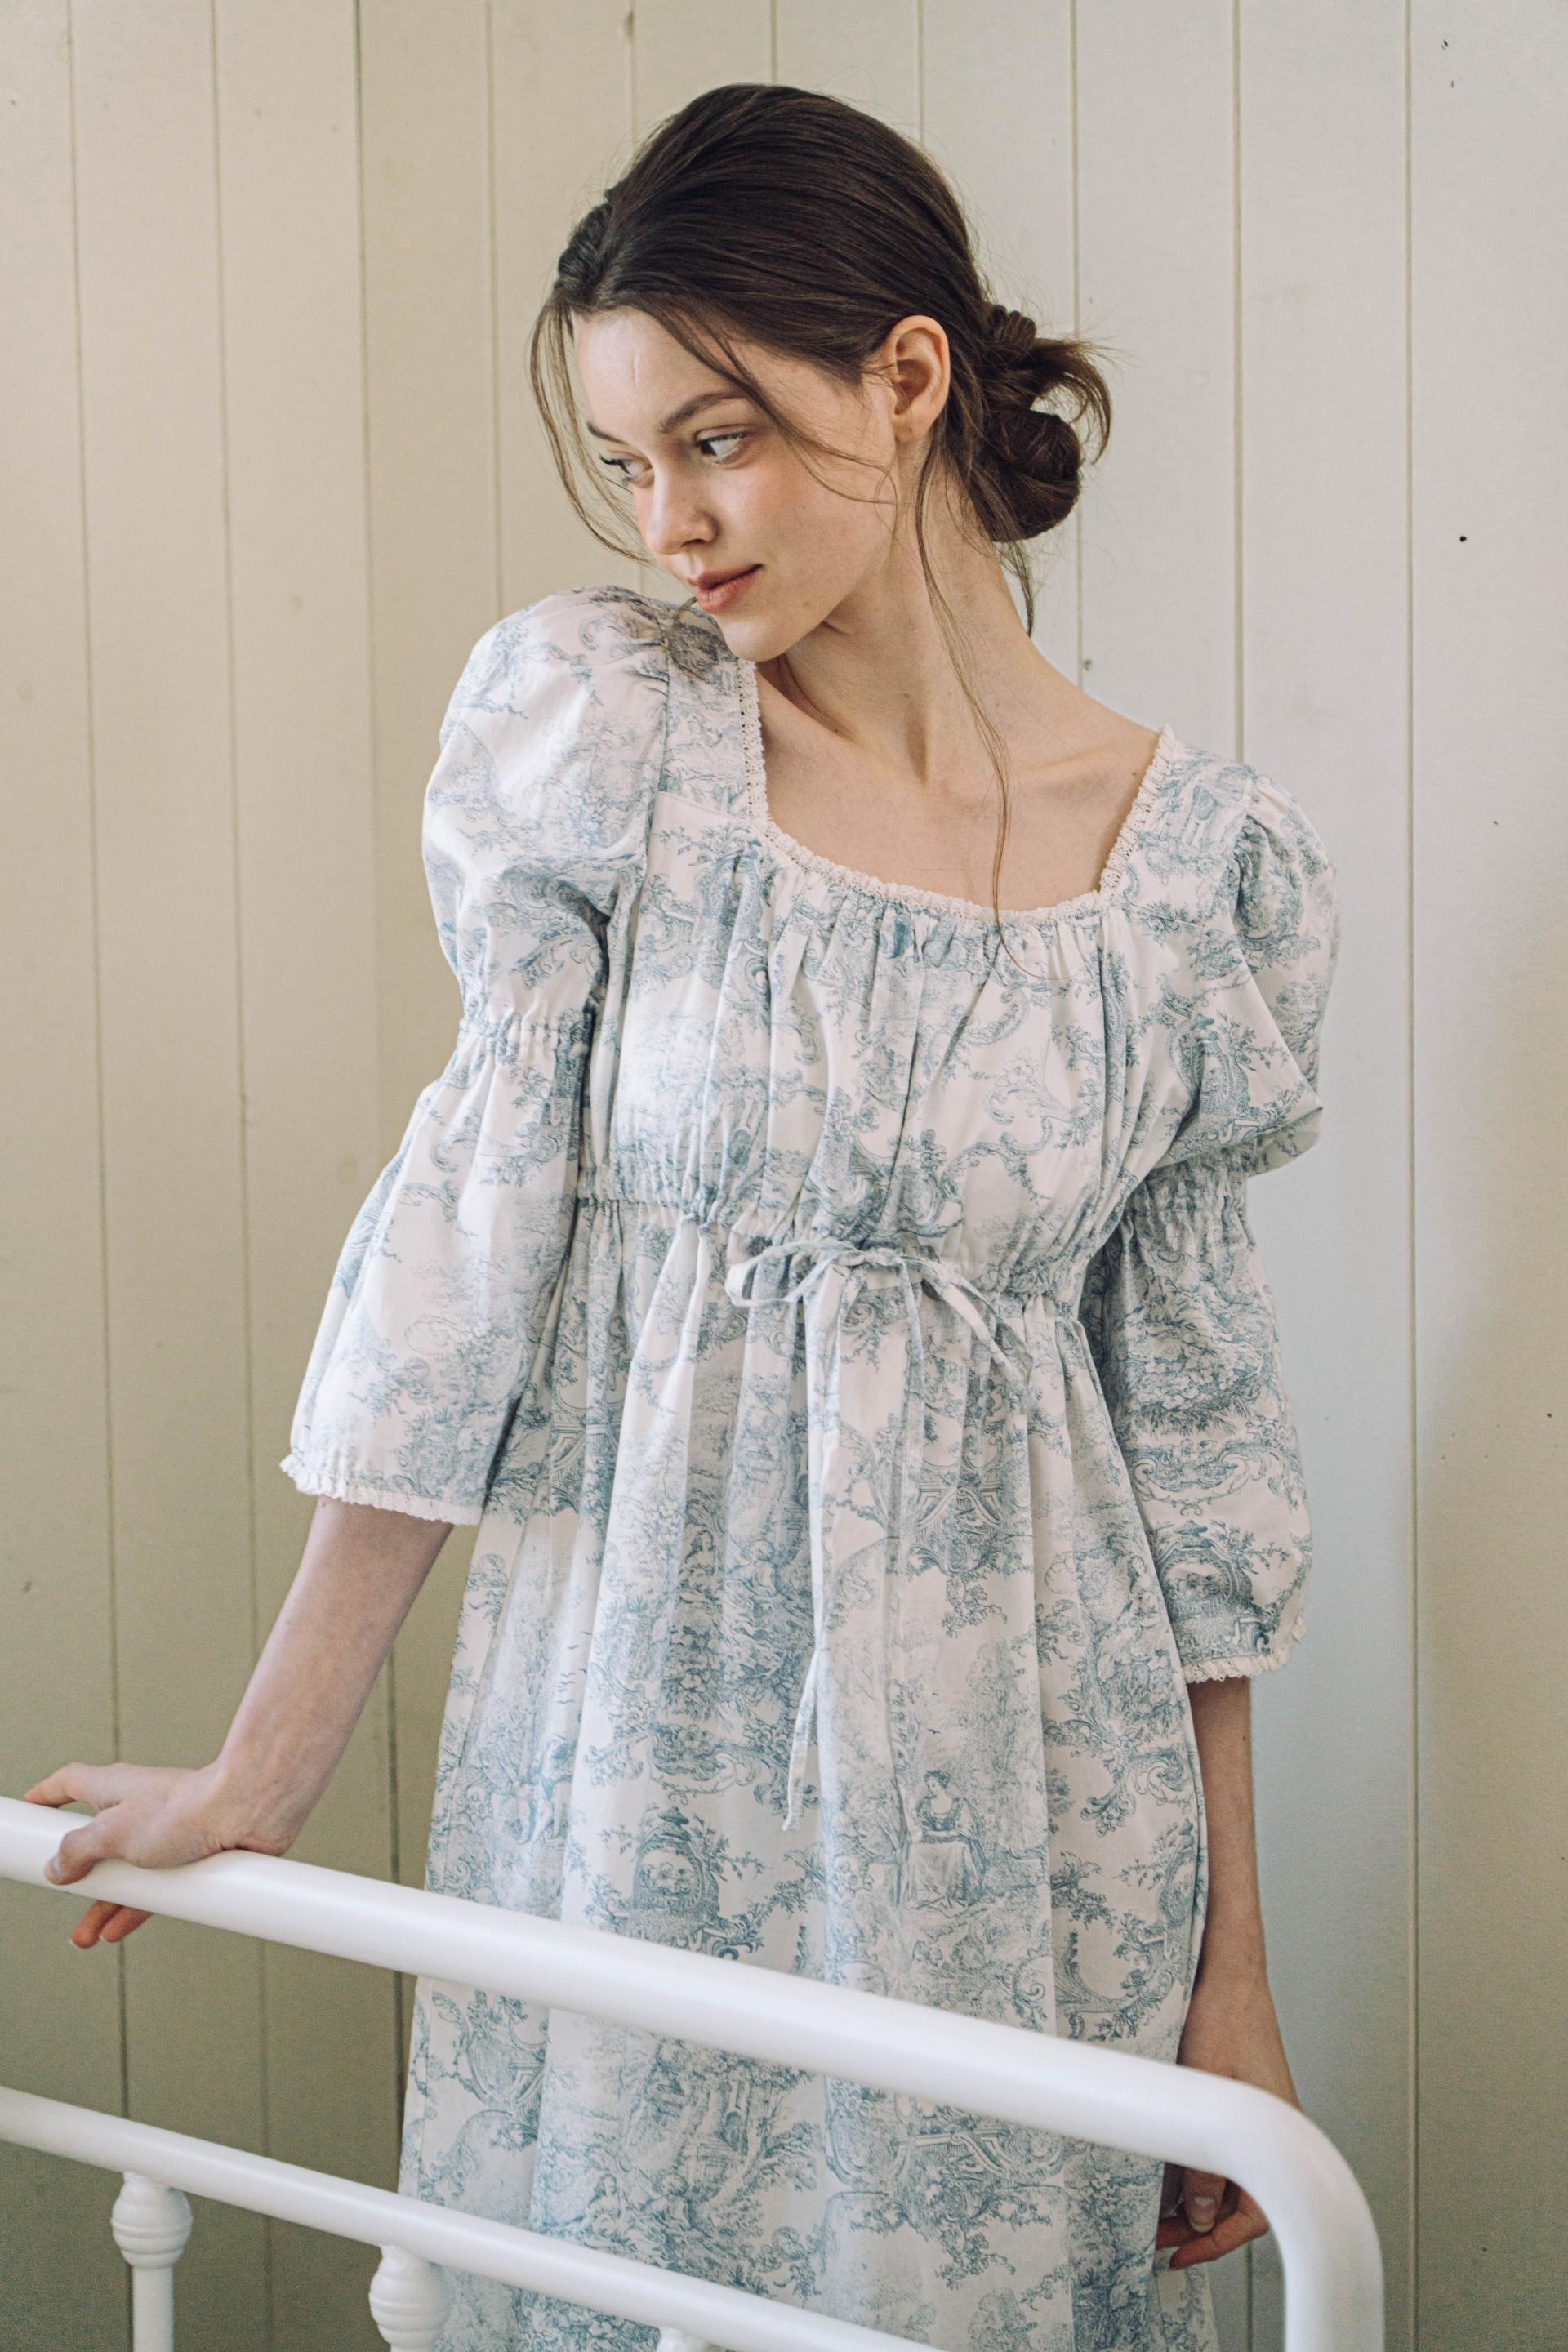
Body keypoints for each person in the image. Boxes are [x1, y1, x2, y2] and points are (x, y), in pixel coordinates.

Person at [25, 81, 1341, 2352]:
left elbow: (1197, 1465)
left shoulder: (1198, 875)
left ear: (906, 379)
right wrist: (265, 1766)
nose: (673, 525)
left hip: (1031, 1812)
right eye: (632, 462)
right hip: (634, 1756)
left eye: (717, 442)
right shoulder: (617, 745)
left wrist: (1235, 1980)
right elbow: (466, 1267)